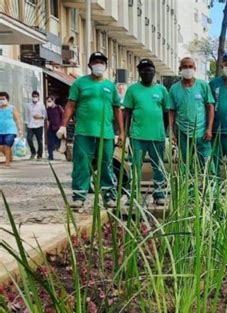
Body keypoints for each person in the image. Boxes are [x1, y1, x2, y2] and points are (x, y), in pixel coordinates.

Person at [57, 52, 124, 209]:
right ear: (90, 65)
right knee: (81, 164)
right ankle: (79, 197)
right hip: (84, 132)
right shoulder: (79, 84)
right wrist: (63, 125)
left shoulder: (110, 87)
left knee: (106, 165)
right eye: (95, 61)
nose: (98, 64)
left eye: (101, 61)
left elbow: (117, 110)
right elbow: (70, 105)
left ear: (105, 65)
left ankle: (109, 197)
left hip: (106, 133)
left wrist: (121, 131)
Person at [123, 59, 168, 206]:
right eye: (142, 70)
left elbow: (167, 113)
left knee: (158, 166)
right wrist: (125, 132)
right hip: (137, 136)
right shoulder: (132, 90)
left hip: (158, 136)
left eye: (149, 69)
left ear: (154, 71)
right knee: (135, 166)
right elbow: (127, 113)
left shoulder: (161, 90)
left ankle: (159, 194)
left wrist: (166, 131)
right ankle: (133, 195)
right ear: (139, 72)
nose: (146, 72)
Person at [167, 57, 215, 174]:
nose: (188, 69)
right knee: (185, 165)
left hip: (202, 133)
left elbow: (210, 107)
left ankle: (210, 189)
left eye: (190, 67)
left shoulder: (203, 86)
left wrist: (209, 129)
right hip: (183, 132)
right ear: (180, 69)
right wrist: (171, 131)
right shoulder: (174, 88)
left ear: (194, 68)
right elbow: (171, 111)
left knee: (207, 165)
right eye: (184, 67)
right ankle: (187, 190)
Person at [0, 92, 24, 168]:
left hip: (10, 130)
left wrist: (20, 129)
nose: (1, 100)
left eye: (3, 99)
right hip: (0, 130)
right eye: (0, 99)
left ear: (7, 99)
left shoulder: (12, 108)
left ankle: (7, 162)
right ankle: (10, 156)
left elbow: (17, 119)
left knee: (7, 145)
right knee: (1, 146)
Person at [25, 90, 46, 160]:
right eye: (33, 96)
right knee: (29, 139)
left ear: (38, 97)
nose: (34, 98)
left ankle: (39, 155)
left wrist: (40, 117)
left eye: (36, 96)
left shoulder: (41, 105)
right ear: (31, 97)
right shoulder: (28, 105)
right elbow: (26, 115)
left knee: (39, 141)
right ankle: (33, 152)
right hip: (30, 125)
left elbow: (45, 115)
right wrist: (26, 123)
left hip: (39, 125)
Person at [45, 96, 63, 161]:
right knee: (50, 142)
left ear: (53, 101)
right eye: (47, 101)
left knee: (59, 141)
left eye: (49, 101)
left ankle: (62, 153)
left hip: (58, 127)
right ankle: (50, 156)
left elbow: (63, 116)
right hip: (51, 127)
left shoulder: (58, 108)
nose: (48, 103)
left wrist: (63, 126)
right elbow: (49, 119)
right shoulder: (48, 110)